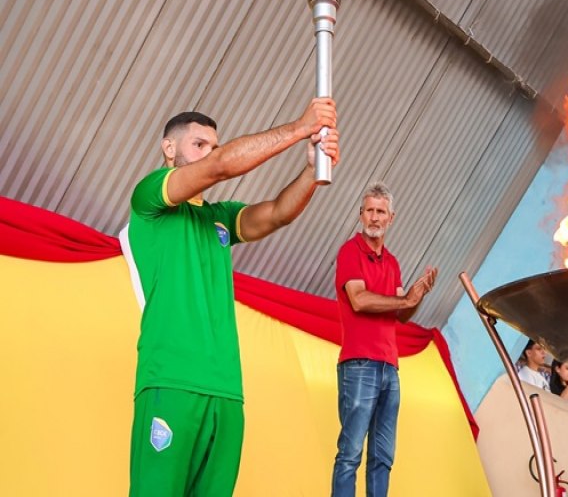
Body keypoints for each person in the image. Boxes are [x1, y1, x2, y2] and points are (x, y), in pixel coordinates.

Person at [123, 100, 339, 497]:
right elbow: (221, 166)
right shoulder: (150, 198)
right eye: (199, 144)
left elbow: (277, 213)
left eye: (214, 145)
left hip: (226, 392)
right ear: (168, 148)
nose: (210, 153)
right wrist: (298, 128)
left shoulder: (219, 217)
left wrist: (311, 168)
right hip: (171, 381)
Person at [330, 182, 438, 497]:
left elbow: (402, 314)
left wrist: (418, 294)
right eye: (369, 211)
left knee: (383, 457)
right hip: (359, 363)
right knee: (350, 453)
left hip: (390, 367)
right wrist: (405, 301)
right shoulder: (350, 251)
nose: (374, 218)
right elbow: (360, 300)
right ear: (360, 215)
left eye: (381, 212)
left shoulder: (392, 262)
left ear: (392, 218)